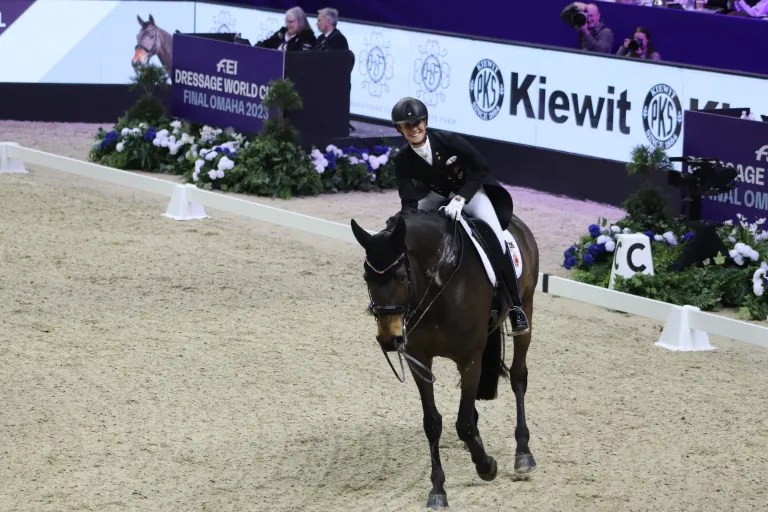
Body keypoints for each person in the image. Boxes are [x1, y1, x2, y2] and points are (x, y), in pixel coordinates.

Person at [390, 97, 529, 335]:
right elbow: (409, 199)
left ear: (425, 122)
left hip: (470, 193)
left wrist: (461, 198)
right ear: (400, 129)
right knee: (405, 232)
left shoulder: (447, 140)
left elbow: (481, 167)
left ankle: (515, 307)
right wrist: (406, 224)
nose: (414, 129)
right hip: (434, 196)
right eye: (407, 125)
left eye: (417, 123)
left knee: (496, 237)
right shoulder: (402, 159)